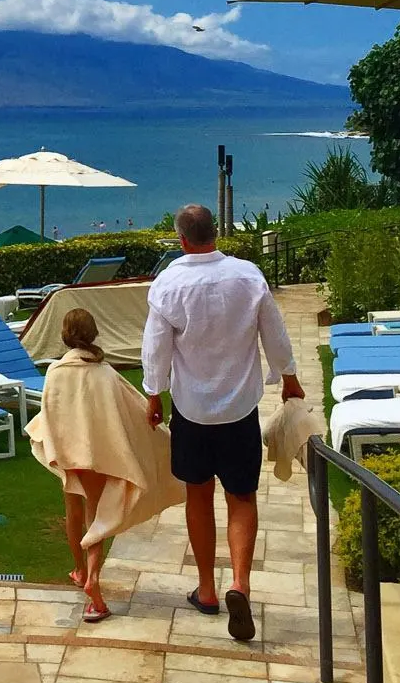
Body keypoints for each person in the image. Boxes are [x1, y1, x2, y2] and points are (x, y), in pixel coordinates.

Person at [142, 203, 304, 643]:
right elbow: (275, 331)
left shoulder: (169, 283)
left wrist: (154, 394)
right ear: (216, 233)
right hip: (239, 409)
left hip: (192, 411)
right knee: (241, 496)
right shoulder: (248, 276)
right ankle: (240, 584)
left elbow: (155, 349)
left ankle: (208, 590)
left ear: (181, 239)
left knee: (198, 495)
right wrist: (289, 379)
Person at [27, 308, 185, 624]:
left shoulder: (55, 372)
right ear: (94, 334)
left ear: (65, 335)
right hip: (97, 456)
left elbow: (49, 413)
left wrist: (56, 447)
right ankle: (93, 579)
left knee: (74, 512)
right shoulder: (105, 374)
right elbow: (134, 408)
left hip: (68, 454)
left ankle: (80, 570)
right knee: (96, 518)